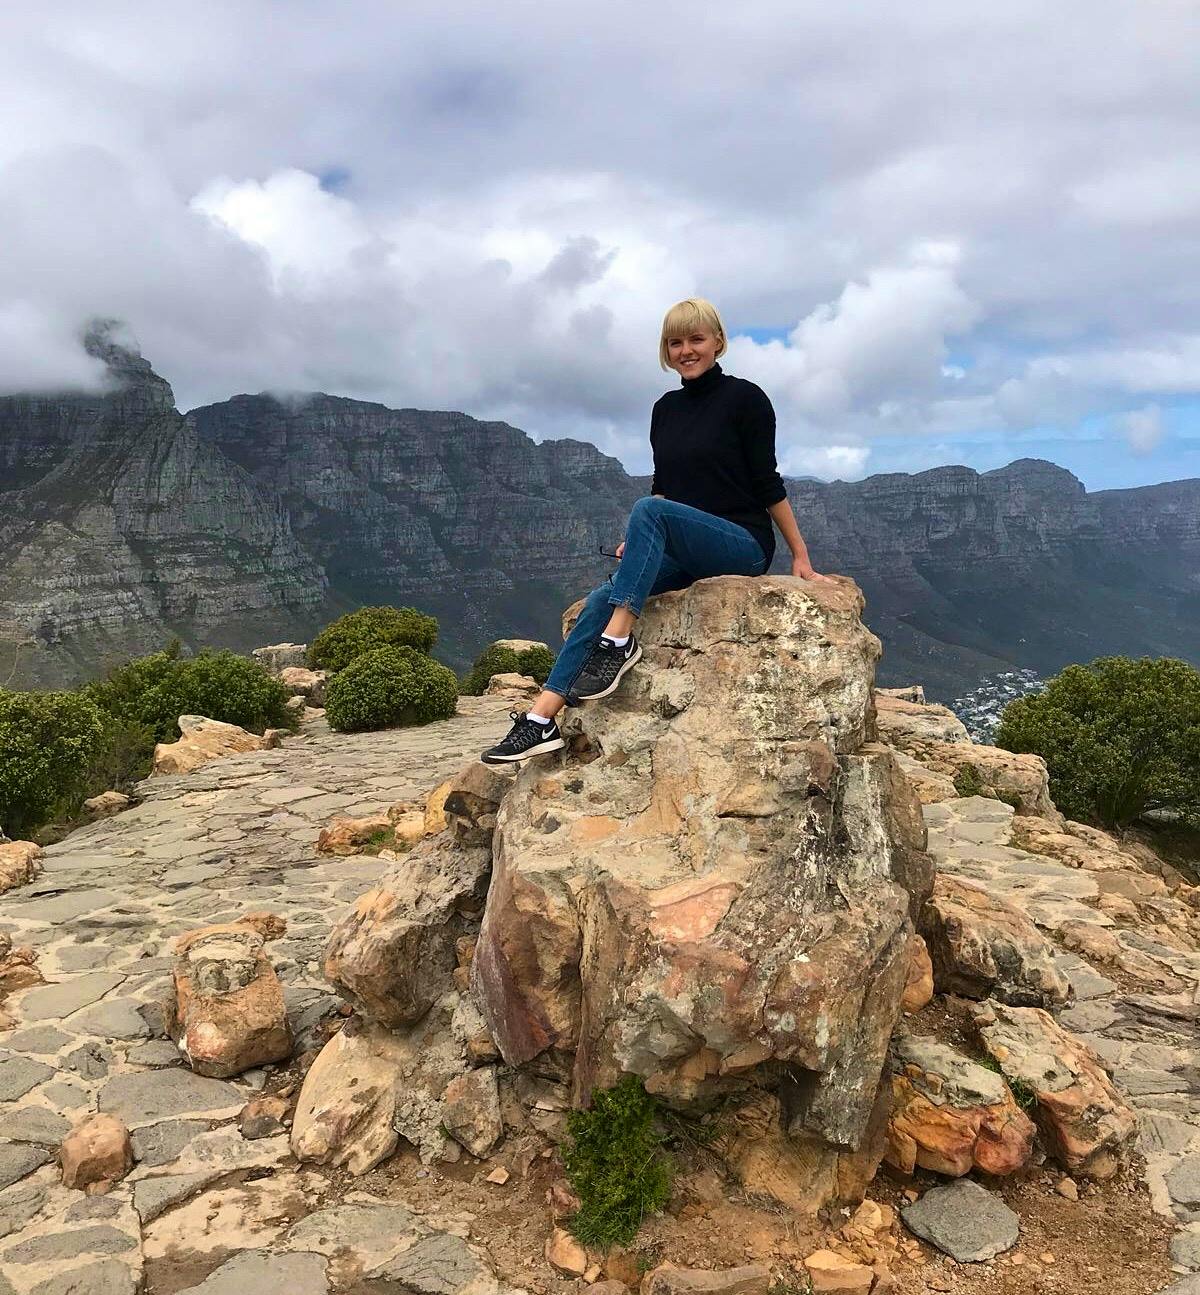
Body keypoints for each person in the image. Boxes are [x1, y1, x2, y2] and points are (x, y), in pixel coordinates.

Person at [481, 297, 830, 764]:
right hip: (685, 547)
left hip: (740, 544)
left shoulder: (746, 399)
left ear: (718, 342)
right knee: (602, 597)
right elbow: (664, 488)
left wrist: (799, 556)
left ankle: (618, 643)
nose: (686, 350)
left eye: (696, 339)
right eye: (675, 342)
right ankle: (541, 719)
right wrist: (642, 541)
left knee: (648, 512)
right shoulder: (665, 409)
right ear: (666, 351)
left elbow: (768, 483)